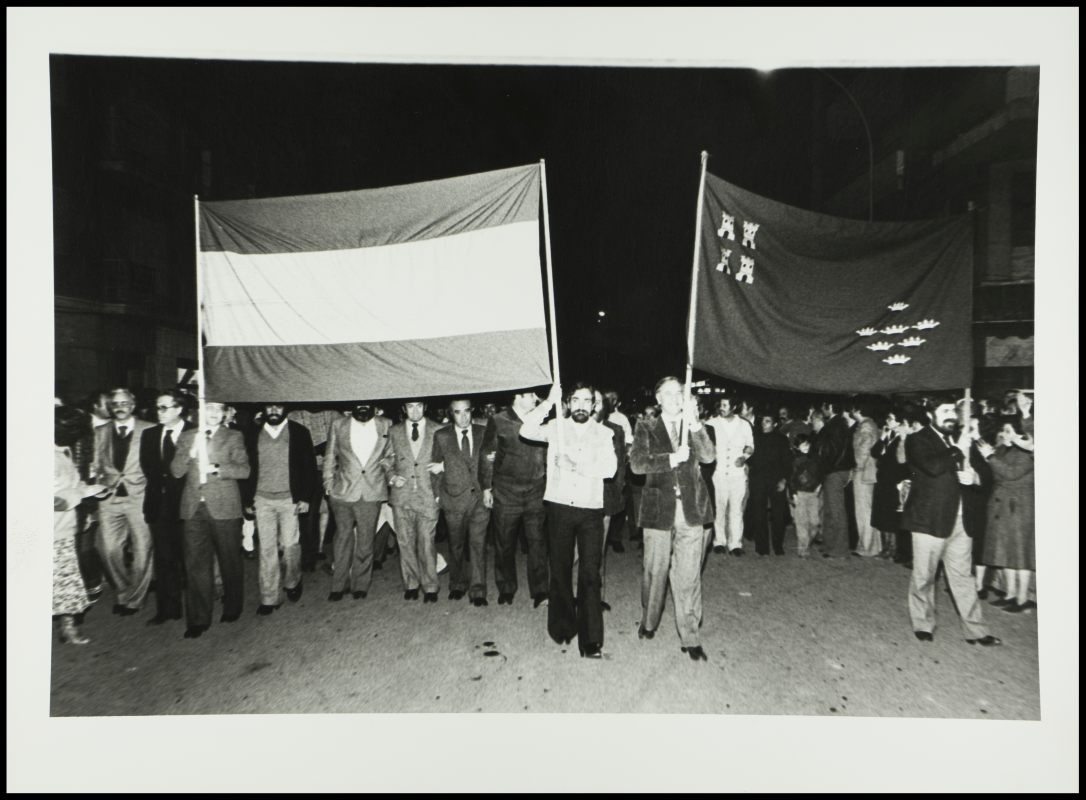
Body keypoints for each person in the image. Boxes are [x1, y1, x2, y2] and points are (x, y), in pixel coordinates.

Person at [520, 383, 617, 658]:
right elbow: (526, 430)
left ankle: (591, 640)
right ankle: (562, 627)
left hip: (590, 511)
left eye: (587, 401)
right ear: (568, 403)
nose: (581, 406)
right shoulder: (556, 427)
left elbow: (610, 469)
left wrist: (576, 466)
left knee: (589, 574)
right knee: (560, 569)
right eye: (576, 400)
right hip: (560, 508)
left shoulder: (604, 433)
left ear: (594, 406)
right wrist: (548, 403)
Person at [901, 397, 1002, 646]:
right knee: (924, 577)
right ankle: (923, 623)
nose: (951, 415)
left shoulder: (962, 439)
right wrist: (957, 448)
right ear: (931, 415)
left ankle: (976, 630)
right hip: (929, 521)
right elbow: (933, 466)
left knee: (963, 578)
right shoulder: (918, 439)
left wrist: (975, 477)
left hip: (961, 522)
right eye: (944, 410)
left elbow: (987, 475)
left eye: (953, 411)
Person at [630, 376, 716, 661]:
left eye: (679, 392)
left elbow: (708, 456)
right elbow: (637, 464)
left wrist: (695, 424)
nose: (675, 398)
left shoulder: (695, 425)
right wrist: (670, 458)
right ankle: (649, 621)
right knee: (655, 571)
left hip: (692, 510)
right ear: (658, 399)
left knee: (689, 576)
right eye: (668, 393)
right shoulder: (646, 427)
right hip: (658, 510)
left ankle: (690, 636)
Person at [171, 401, 251, 639]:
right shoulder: (187, 437)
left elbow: (244, 470)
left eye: (219, 409)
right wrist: (190, 453)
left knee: (230, 560)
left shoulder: (233, 436)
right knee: (195, 564)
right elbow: (176, 470)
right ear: (200, 411)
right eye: (209, 408)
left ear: (225, 413)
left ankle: (232, 607)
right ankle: (198, 618)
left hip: (224, 507)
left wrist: (216, 468)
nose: (214, 413)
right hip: (193, 507)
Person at [242, 402, 319, 615]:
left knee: (290, 545)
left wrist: (305, 497)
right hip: (262, 499)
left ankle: (293, 581)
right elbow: (247, 467)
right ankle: (269, 597)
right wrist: (246, 500)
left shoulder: (299, 432)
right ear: (263, 409)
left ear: (285, 409)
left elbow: (309, 467)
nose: (274, 411)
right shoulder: (253, 433)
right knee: (267, 549)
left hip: (289, 499)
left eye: (278, 407)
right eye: (269, 407)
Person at [480, 389, 549, 606]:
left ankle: (541, 590)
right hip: (506, 492)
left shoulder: (541, 419)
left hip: (536, 491)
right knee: (504, 543)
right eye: (531, 395)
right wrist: (486, 487)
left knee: (537, 542)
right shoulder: (498, 420)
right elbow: (487, 453)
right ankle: (506, 587)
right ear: (517, 397)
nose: (536, 399)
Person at [322, 401, 394, 601]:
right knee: (342, 538)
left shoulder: (386, 424)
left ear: (374, 405)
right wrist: (328, 483)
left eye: (366, 404)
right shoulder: (338, 424)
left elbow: (391, 454)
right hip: (342, 492)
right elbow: (330, 455)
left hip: (371, 491)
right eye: (358, 404)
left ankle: (360, 585)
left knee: (366, 540)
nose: (362, 407)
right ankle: (338, 585)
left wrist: (386, 465)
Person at [93, 388, 155, 616]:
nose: (120, 407)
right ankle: (122, 591)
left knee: (142, 550)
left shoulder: (149, 429)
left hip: (140, 497)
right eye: (115, 403)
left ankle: (135, 600)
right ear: (110, 407)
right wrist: (96, 486)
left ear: (133, 405)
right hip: (108, 498)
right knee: (108, 549)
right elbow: (96, 464)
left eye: (125, 403)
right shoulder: (100, 431)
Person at [138, 390, 194, 625]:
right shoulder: (150, 434)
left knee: (190, 558)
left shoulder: (195, 433)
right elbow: (148, 468)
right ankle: (168, 609)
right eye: (157, 407)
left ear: (179, 409)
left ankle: (196, 611)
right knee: (164, 558)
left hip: (186, 504)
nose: (158, 412)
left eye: (164, 407)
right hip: (159, 505)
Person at [54, 407, 109, 644]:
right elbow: (54, 500)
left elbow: (69, 488)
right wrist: (81, 494)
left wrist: (90, 489)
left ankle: (68, 629)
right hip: (51, 532)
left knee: (65, 581)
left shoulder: (61, 453)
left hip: (64, 529)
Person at [430, 399, 490, 605]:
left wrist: (490, 490)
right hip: (453, 500)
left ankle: (478, 590)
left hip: (479, 499)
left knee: (478, 545)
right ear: (451, 414)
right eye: (458, 412)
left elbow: (490, 463)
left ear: (472, 411)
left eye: (467, 411)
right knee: (456, 546)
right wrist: (438, 496)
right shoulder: (442, 436)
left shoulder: (484, 432)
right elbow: (434, 469)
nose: (463, 417)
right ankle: (457, 584)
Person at [386, 400, 442, 603]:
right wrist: (392, 477)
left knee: (427, 542)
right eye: (410, 406)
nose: (415, 410)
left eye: (419, 406)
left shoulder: (439, 430)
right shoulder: (394, 431)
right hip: (402, 496)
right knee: (405, 541)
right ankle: (411, 584)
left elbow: (449, 457)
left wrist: (442, 468)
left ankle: (430, 586)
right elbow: (386, 459)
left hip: (428, 495)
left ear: (425, 407)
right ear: (404, 409)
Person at [979, 418, 1035, 613]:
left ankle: (1022, 599)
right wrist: (992, 456)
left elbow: (1011, 473)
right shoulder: (1003, 450)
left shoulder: (1026, 452)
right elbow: (997, 474)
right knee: (1005, 552)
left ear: (1020, 434)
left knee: (1020, 554)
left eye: (1009, 431)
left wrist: (990, 457)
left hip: (1020, 507)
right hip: (1002, 505)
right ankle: (1010, 594)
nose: (1004, 434)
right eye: (1003, 430)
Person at [705, 396, 754, 557]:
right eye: (720, 405)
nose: (721, 408)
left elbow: (750, 446)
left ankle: (735, 544)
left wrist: (744, 457)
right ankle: (719, 541)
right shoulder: (711, 423)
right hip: (718, 473)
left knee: (736, 510)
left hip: (737, 475)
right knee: (719, 509)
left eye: (725, 405)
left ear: (734, 407)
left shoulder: (744, 425)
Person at [747, 412, 792, 556]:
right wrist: (746, 455)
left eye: (767, 421)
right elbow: (751, 459)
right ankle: (762, 547)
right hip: (758, 480)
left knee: (778, 515)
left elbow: (788, 462)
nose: (763, 424)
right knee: (759, 514)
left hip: (776, 480)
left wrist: (784, 480)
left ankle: (778, 546)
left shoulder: (781, 439)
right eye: (763, 421)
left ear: (775, 424)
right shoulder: (755, 438)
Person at [816, 398, 855, 559]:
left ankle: (839, 549)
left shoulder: (835, 426)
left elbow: (830, 451)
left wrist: (823, 469)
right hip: (837, 470)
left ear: (830, 407)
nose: (822, 409)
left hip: (834, 471)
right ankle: (829, 545)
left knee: (836, 511)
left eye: (823, 406)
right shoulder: (840, 424)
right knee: (830, 510)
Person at [870, 408, 911, 562]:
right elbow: (874, 453)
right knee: (882, 514)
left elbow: (902, 462)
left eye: (891, 419)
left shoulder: (903, 438)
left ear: (899, 422)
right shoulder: (888, 436)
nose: (888, 421)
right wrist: (882, 438)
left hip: (895, 481)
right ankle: (885, 548)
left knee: (891, 517)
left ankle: (892, 549)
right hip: (883, 480)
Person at [849, 397, 882, 557]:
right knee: (866, 508)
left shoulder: (866, 426)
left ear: (858, 410)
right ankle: (871, 545)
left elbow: (864, 449)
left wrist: (857, 465)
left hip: (863, 472)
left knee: (863, 509)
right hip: (866, 470)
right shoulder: (868, 424)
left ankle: (866, 546)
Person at [787, 433, 822, 557]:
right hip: (800, 494)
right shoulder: (795, 461)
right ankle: (803, 550)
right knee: (801, 522)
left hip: (813, 494)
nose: (806, 447)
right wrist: (793, 494)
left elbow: (820, 474)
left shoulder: (815, 459)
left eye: (807, 444)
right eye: (803, 445)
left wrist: (819, 486)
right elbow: (791, 478)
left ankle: (807, 543)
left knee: (814, 522)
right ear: (797, 447)